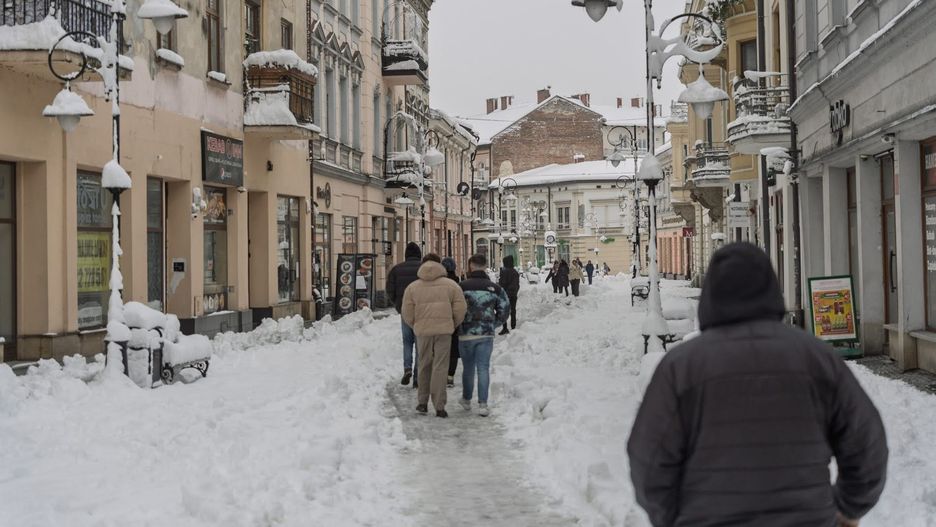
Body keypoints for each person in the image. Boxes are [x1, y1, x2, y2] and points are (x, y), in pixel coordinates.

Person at [627, 242, 887, 527]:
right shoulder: (817, 359)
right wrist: (848, 508)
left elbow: (648, 458)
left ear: (711, 296)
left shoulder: (681, 367)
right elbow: (867, 443)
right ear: (771, 290)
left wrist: (672, 517)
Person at [401, 253, 467, 418]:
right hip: (444, 331)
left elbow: (406, 312)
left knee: (423, 364)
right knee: (440, 367)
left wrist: (416, 324)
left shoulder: (412, 287)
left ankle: (422, 403)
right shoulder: (451, 286)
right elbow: (460, 309)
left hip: (423, 331)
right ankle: (439, 406)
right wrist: (452, 323)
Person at [458, 254, 510, 417]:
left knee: (468, 368)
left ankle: (466, 399)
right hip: (486, 334)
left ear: (471, 266)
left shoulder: (461, 287)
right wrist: (493, 324)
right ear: (486, 266)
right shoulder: (495, 288)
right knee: (483, 368)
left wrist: (458, 324)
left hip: (465, 333)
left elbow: (453, 308)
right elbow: (505, 309)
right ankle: (483, 404)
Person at [386, 242, 422, 387]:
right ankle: (418, 375)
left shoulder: (396, 269)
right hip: (421, 312)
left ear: (406, 255)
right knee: (420, 343)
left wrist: (398, 305)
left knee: (407, 342)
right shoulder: (424, 268)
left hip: (405, 311)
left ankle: (407, 368)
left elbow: (390, 290)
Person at [441, 257, 460, 388]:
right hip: (453, 321)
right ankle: (450, 376)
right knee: (453, 349)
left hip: (439, 320)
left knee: (440, 348)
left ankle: (441, 374)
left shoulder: (437, 283)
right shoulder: (457, 284)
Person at [497, 255, 520, 335]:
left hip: (505, 295)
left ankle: (505, 328)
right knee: (513, 311)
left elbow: (501, 283)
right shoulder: (515, 272)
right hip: (513, 295)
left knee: (504, 311)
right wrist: (515, 292)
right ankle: (513, 327)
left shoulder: (504, 272)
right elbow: (517, 285)